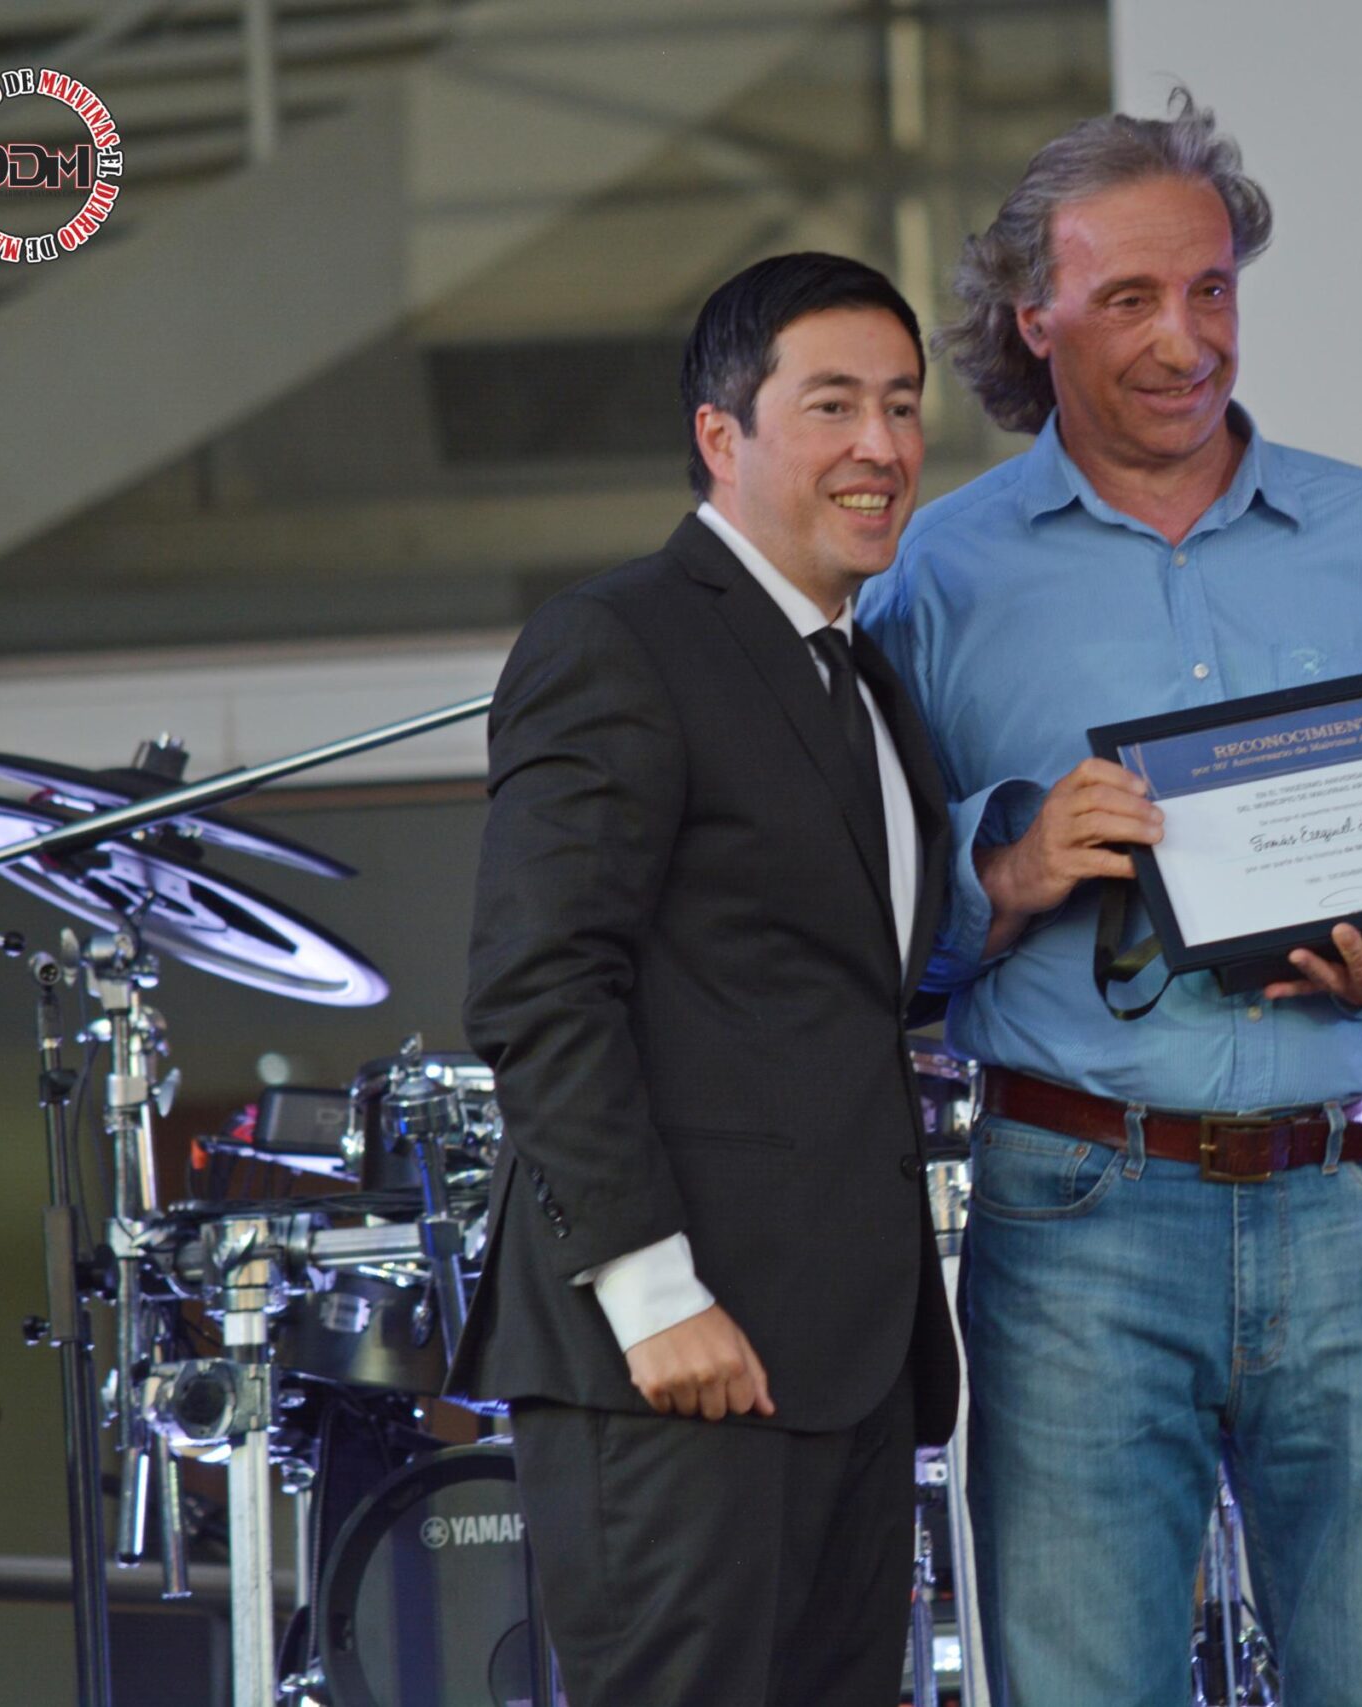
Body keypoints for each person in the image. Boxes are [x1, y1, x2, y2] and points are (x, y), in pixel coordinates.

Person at [861, 93, 1362, 1706]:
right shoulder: (935, 580)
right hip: (1074, 1212)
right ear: (1033, 315)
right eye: (1129, 299)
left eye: (1211, 290)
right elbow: (856, 923)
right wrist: (1002, 873)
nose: (1185, 340)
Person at [449, 252, 959, 1707]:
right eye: (833, 404)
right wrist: (652, 1287)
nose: (882, 445)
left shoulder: (865, 678)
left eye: (904, 405)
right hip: (676, 1351)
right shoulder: (621, 639)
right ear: (720, 435)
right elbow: (540, 981)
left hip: (847, 1359)